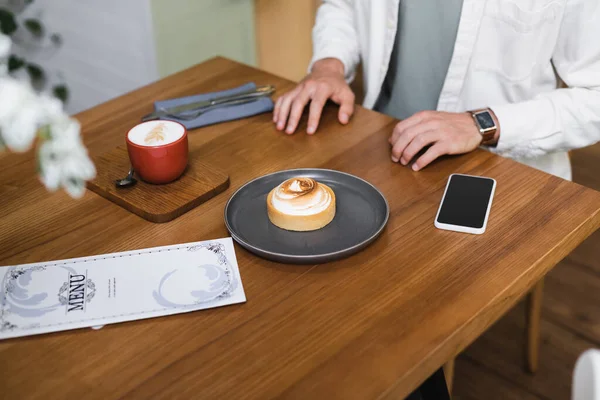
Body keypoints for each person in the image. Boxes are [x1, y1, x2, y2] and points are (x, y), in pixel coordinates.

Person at [273, 0, 600, 180]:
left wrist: (482, 123)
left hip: (500, 171)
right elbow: (342, 6)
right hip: (381, 148)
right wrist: (328, 65)